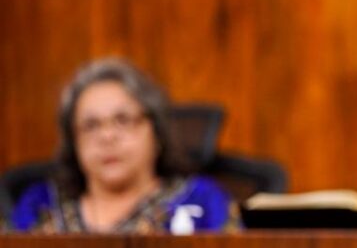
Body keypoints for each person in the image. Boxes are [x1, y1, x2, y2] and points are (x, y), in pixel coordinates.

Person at [9, 58, 237, 234]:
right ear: (73, 140)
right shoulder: (40, 204)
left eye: (123, 120)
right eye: (90, 125)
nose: (107, 136)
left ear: (156, 132)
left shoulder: (203, 201)